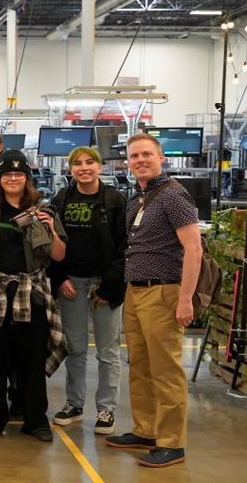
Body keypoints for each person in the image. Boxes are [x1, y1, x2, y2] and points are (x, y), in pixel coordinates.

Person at [105, 133, 200, 468]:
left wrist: (185, 298)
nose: (140, 160)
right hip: (136, 291)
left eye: (146, 154)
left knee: (166, 370)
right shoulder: (139, 198)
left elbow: (194, 249)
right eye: (134, 156)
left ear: (161, 157)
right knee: (141, 366)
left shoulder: (173, 196)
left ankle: (173, 443)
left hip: (164, 291)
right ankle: (147, 430)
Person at [0, 150, 67, 443]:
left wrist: (51, 230)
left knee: (31, 360)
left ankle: (36, 420)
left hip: (30, 292)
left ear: (27, 179)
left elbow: (59, 254)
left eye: (18, 175)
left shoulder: (44, 210)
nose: (12, 179)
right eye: (7, 174)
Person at [49, 147, 127, 436]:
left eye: (89, 162)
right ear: (70, 169)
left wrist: (109, 285)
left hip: (104, 285)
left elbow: (124, 247)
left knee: (108, 351)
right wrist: (59, 278)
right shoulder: (61, 199)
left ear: (100, 166)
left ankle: (106, 409)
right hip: (72, 283)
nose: (84, 168)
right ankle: (74, 403)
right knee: (76, 348)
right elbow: (51, 240)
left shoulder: (114, 200)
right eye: (77, 164)